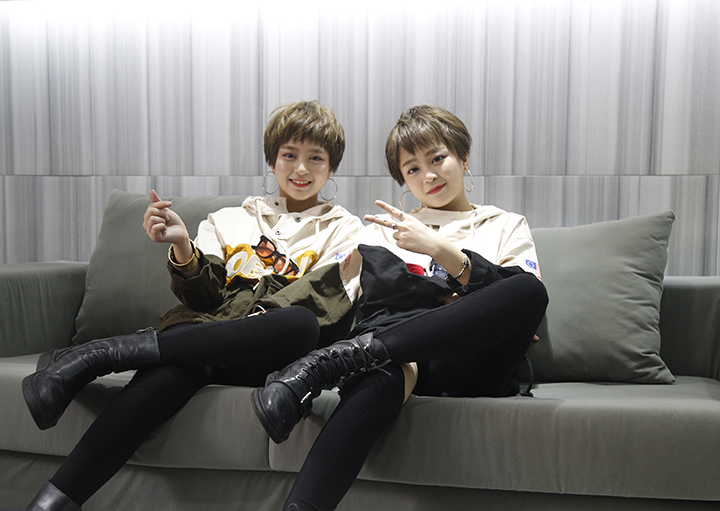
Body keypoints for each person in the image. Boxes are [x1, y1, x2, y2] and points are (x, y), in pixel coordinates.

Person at [12, 100, 363, 511]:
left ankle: (97, 355)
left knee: (299, 323)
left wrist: (244, 322)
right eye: (289, 155)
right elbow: (203, 299)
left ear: (331, 167)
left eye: (315, 158)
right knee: (171, 375)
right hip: (205, 341)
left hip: (270, 351)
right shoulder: (229, 219)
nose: (301, 168)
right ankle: (49, 503)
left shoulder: (346, 231)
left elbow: (326, 301)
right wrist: (181, 244)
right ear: (272, 161)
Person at [252, 105, 549, 511]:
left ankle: (338, 362)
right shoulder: (383, 230)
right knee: (384, 370)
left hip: (472, 359)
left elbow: (518, 302)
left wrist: (439, 250)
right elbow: (363, 300)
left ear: (463, 158)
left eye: (437, 159)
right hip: (401, 359)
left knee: (528, 290)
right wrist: (459, 293)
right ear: (402, 179)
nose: (428, 176)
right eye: (412, 168)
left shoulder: (504, 224)